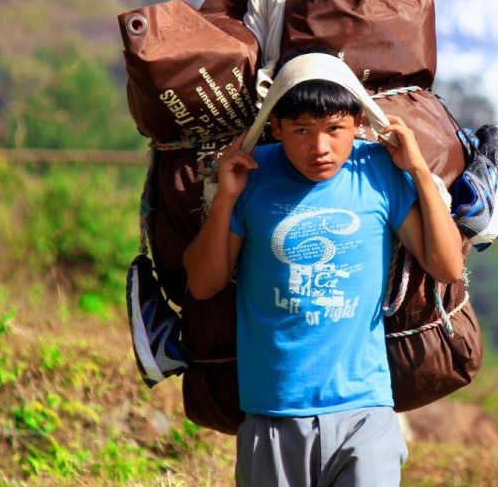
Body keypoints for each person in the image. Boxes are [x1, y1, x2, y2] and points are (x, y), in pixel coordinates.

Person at [182, 52, 464, 486]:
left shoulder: (378, 173)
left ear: (356, 125)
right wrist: (225, 197)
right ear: (276, 129)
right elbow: (203, 284)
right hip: (274, 411)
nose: (320, 148)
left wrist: (419, 170)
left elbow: (445, 266)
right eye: (301, 131)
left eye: (335, 129)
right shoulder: (252, 179)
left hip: (364, 410)